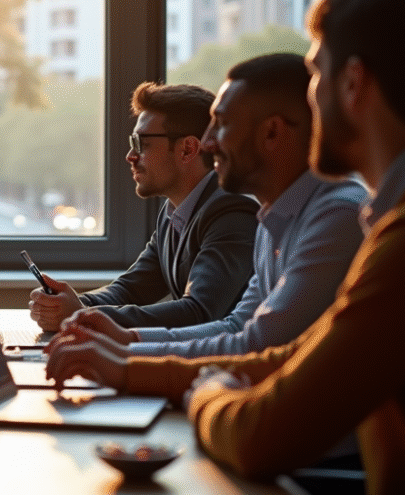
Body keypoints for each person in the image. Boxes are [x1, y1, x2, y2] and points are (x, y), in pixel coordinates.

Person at [48, 0, 405, 495]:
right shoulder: (395, 220)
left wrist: (205, 390)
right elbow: (286, 356)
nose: (311, 98)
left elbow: (261, 432)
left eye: (316, 75)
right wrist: (134, 365)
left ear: (354, 83)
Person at [48, 53, 366, 361]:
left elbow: (255, 343)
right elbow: (236, 328)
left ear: (271, 132)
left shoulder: (337, 218)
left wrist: (123, 360)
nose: (209, 143)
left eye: (223, 124)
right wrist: (126, 341)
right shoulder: (274, 219)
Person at [29, 82, 258, 331]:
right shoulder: (174, 213)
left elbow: (199, 312)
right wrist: (68, 304)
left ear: (187, 149)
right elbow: (130, 289)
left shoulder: (232, 214)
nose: (130, 156)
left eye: (141, 143)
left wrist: (82, 315)